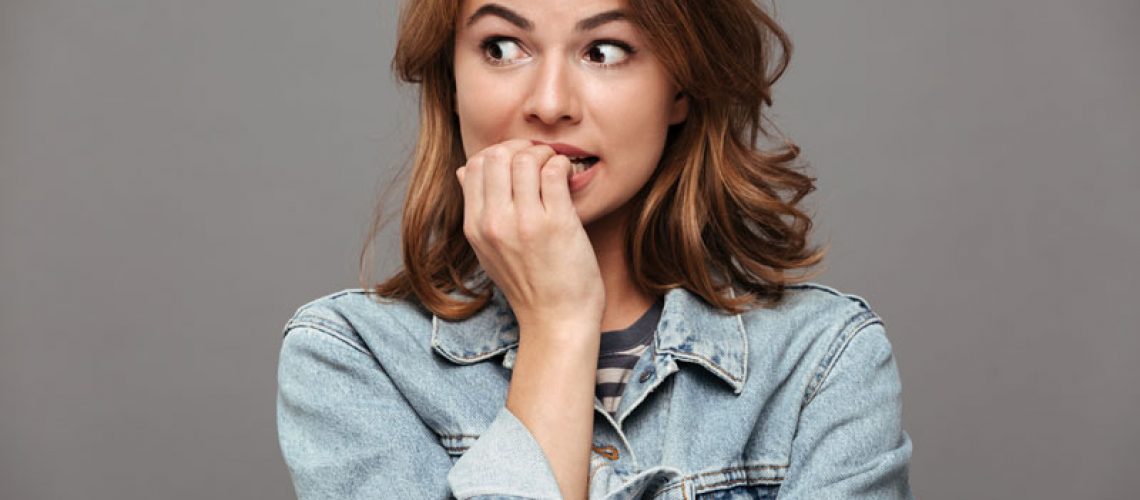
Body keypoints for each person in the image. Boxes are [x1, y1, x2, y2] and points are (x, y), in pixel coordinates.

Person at [276, 0, 915, 498]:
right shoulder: (351, 359)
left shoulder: (820, 363)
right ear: (451, 78)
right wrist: (557, 323)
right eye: (501, 47)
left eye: (604, 50)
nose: (549, 104)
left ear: (681, 87)